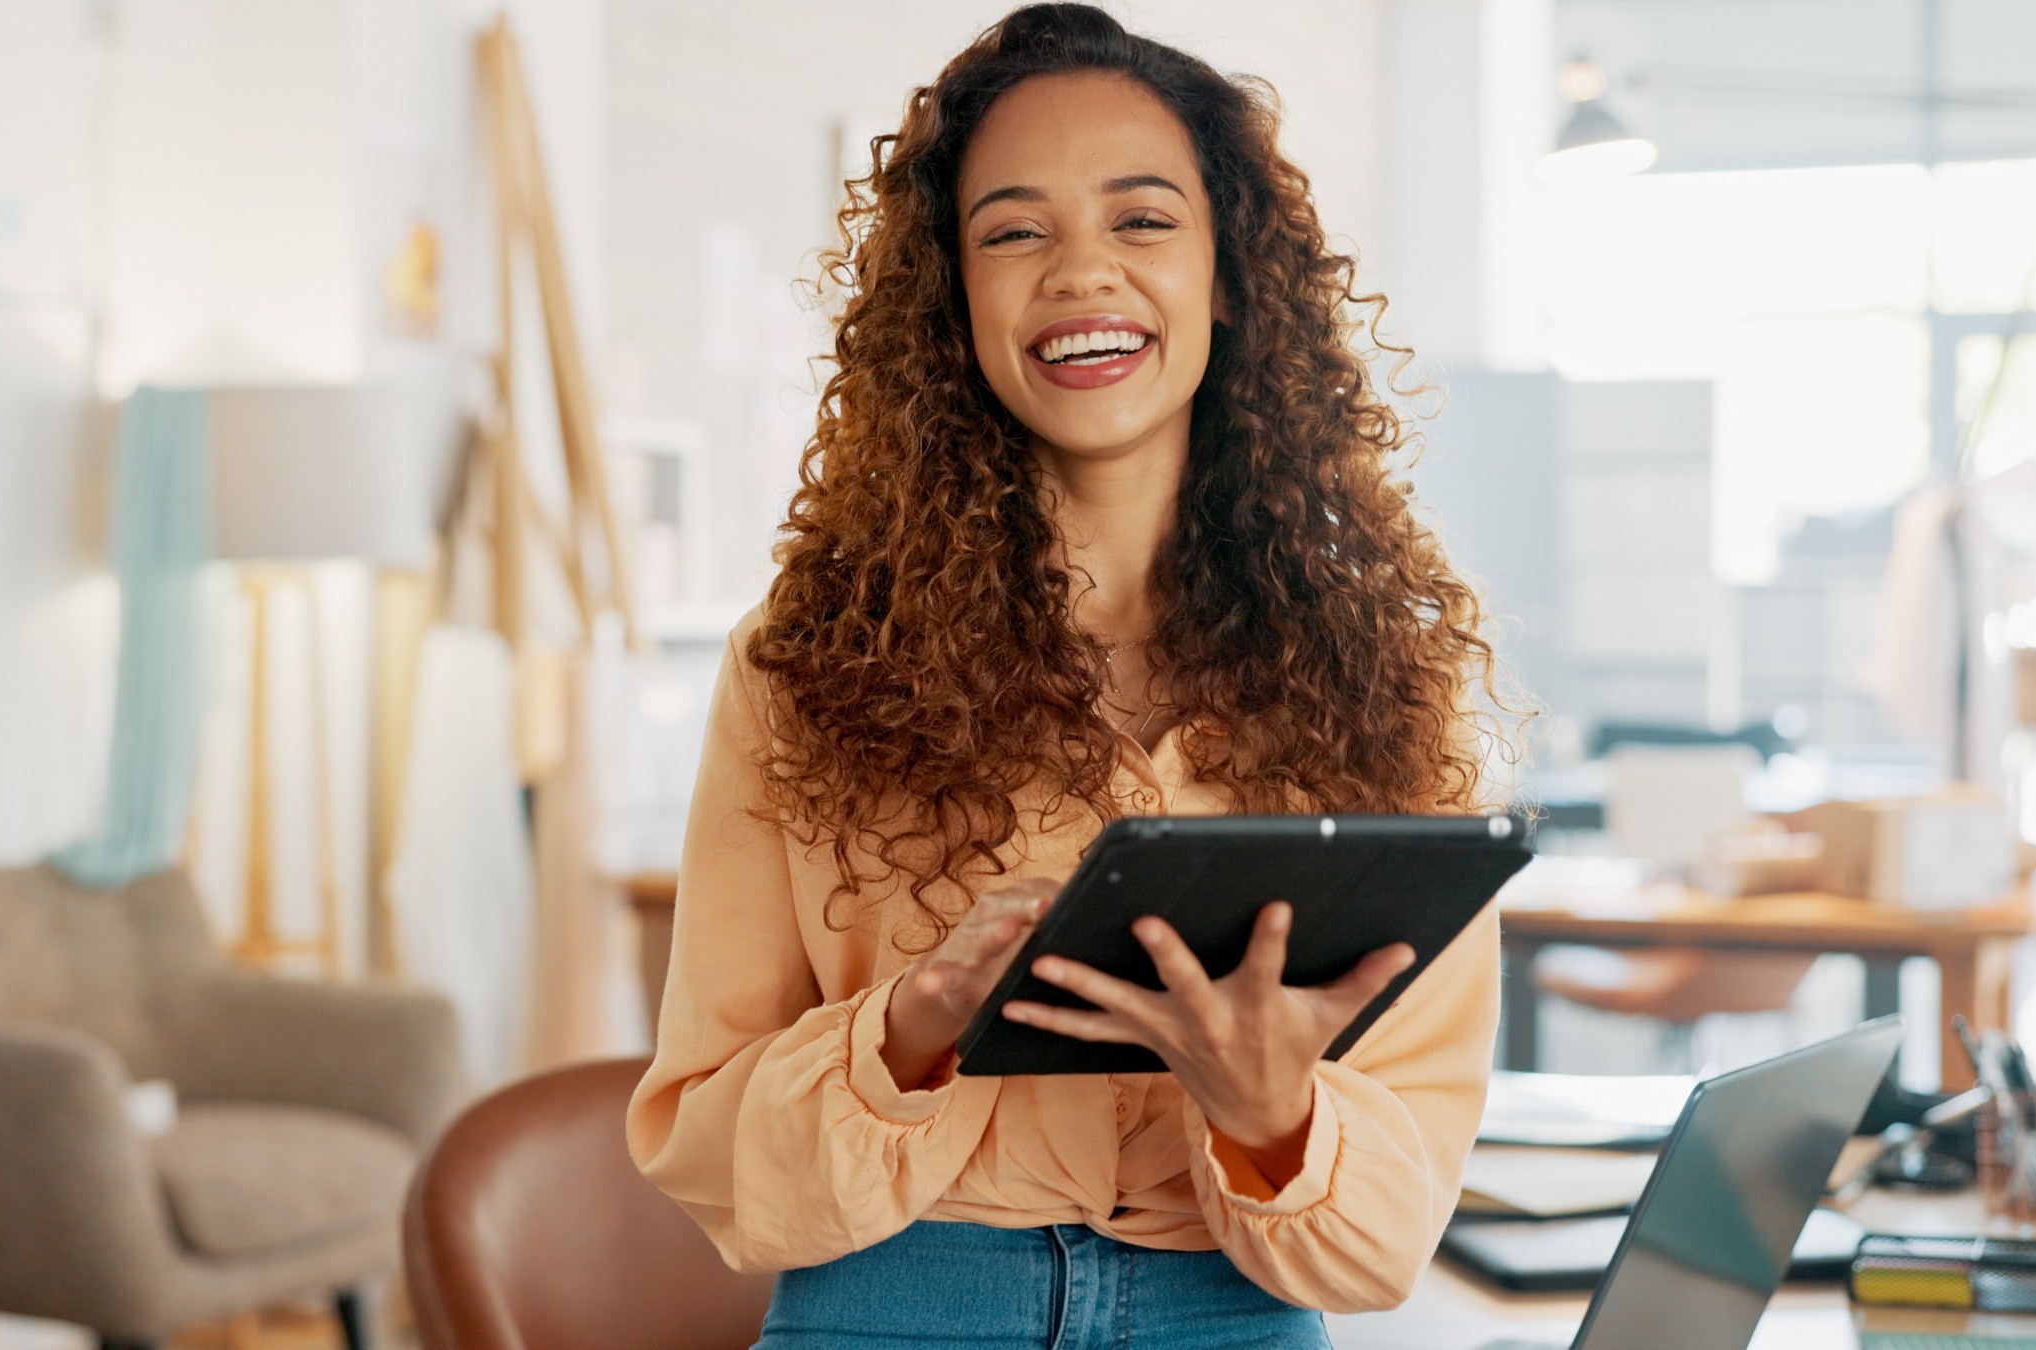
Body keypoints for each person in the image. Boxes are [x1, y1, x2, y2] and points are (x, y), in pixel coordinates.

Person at [627, 6, 1515, 1346]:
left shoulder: (1393, 681)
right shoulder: (800, 665)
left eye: (1144, 219)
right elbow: (705, 1150)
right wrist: (912, 1032)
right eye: (1013, 231)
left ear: (1229, 275)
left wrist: (1272, 1111)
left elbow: (1387, 1236)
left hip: (1236, 1315)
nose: (1080, 271)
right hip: (896, 1306)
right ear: (956, 298)